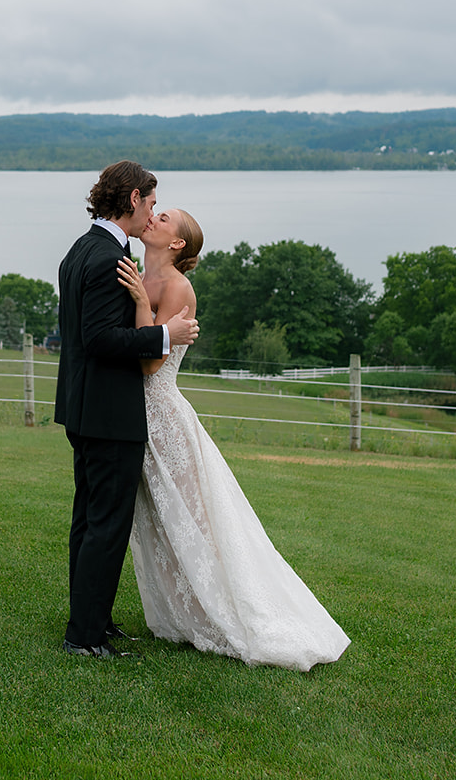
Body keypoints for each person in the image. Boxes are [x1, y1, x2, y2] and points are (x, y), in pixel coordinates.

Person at [117, 207, 350, 671]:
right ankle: (178, 614)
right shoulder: (140, 272)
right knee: (156, 521)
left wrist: (142, 302)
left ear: (178, 243)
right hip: (134, 415)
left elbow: (149, 364)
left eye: (164, 217)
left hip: (163, 417)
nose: (153, 217)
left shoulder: (178, 288)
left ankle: (221, 612)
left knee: (191, 520)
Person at [55, 160, 199, 658]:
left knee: (89, 520)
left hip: (84, 407)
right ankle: (84, 636)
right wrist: (164, 333)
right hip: (110, 413)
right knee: (106, 525)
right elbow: (97, 339)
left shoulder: (82, 249)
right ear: (134, 199)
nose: (153, 213)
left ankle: (92, 618)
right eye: (153, 203)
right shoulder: (105, 257)